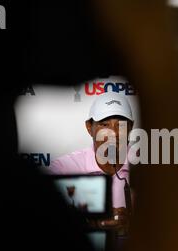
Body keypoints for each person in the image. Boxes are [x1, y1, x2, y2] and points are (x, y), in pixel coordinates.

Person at [47, 91, 134, 229]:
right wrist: (90, 221)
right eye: (105, 125)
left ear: (131, 127)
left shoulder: (150, 167)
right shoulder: (63, 168)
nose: (114, 133)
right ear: (89, 127)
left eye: (121, 125)